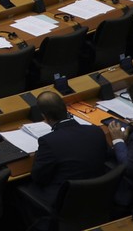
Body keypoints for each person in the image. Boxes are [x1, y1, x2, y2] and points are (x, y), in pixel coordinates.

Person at [20, 90, 110, 222]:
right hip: (97, 196)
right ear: (65, 108)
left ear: (45, 117)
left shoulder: (48, 142)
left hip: (65, 200)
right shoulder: (96, 130)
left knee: (18, 190)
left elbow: (39, 177)